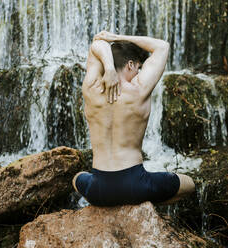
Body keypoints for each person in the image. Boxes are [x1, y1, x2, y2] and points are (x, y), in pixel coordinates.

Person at [72, 31, 195, 206]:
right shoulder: (139, 89)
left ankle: (116, 202)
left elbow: (96, 45)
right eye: (139, 68)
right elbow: (162, 46)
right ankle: (143, 205)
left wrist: (108, 67)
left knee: (77, 178)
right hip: (134, 186)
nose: (139, 72)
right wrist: (117, 38)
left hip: (98, 190)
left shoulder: (91, 88)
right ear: (130, 64)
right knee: (190, 184)